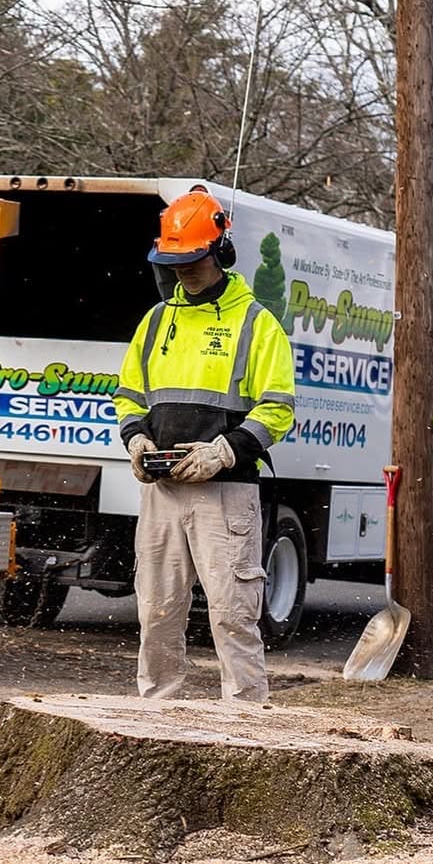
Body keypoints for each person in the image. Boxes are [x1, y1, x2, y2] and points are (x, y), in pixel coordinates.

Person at [114, 186, 295, 703]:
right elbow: (129, 396)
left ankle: (245, 719)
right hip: (163, 491)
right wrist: (136, 439)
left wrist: (225, 450)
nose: (183, 271)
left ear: (219, 253)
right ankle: (156, 715)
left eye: (192, 259)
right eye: (174, 261)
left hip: (226, 491)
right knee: (156, 613)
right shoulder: (155, 322)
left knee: (233, 614)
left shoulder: (256, 324)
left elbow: (278, 407)